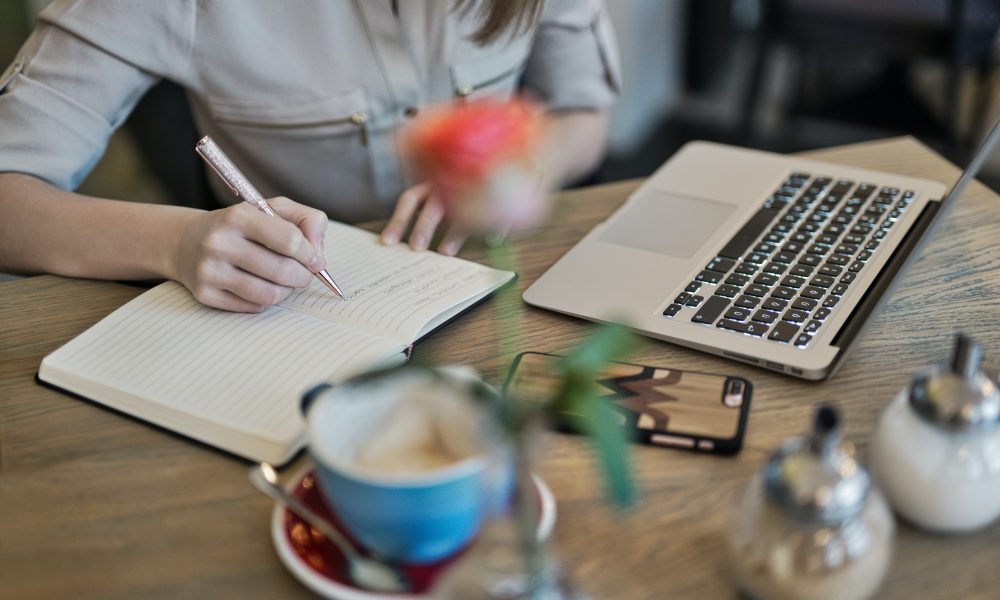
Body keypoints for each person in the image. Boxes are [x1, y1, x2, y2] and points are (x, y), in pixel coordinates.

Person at [0, 0, 620, 312]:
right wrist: (175, 242)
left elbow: (585, 113)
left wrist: (526, 171)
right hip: (289, 310)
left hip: (496, 286)